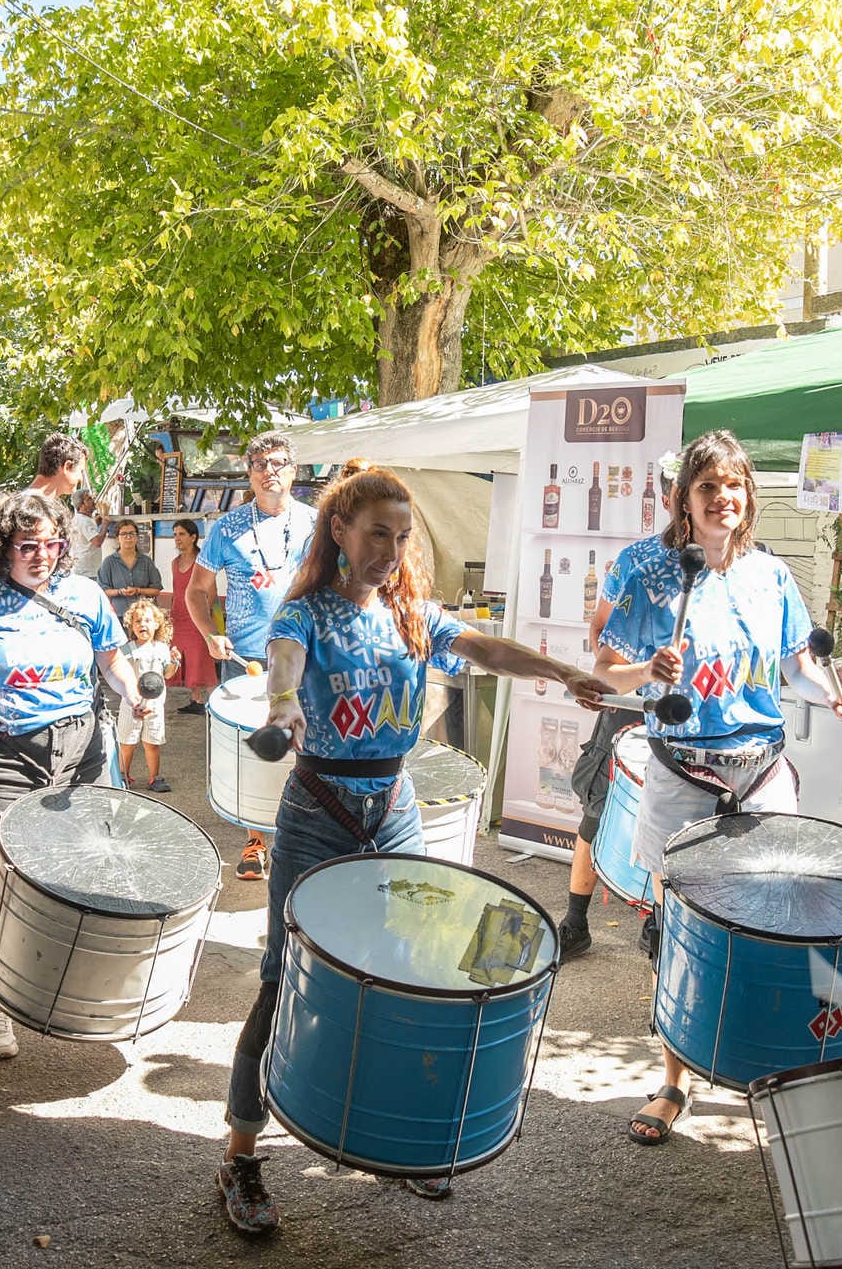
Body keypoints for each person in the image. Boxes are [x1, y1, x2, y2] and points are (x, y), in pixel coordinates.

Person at [216, 467, 610, 1233]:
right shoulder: (304, 614)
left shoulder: (412, 615)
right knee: (283, 978)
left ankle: (385, 1140)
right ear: (338, 530)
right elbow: (284, 671)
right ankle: (239, 1156)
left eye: (401, 538)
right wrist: (285, 707)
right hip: (319, 809)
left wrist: (561, 671)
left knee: (398, 977)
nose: (390, 552)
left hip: (394, 807)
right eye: (376, 535)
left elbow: (486, 649)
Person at [595, 430, 842, 1146]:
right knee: (684, 930)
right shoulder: (646, 569)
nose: (723, 498)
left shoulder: (770, 575)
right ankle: (675, 1079)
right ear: (684, 496)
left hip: (763, 767)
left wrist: (830, 692)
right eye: (708, 486)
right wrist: (647, 672)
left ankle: (781, 1063)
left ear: (749, 498)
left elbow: (796, 664)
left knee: (783, 919)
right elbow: (603, 671)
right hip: (684, 772)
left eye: (734, 485)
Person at [0, 488, 154, 1060]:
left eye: (53, 543)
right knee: (2, 875)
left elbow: (112, 659)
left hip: (80, 746)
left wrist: (134, 694)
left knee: (84, 869)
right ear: (2, 545)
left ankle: (72, 992)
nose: (42, 554)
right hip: (2, 750)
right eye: (27, 545)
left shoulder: (83, 594)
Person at [186, 433, 318, 880]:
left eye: (278, 463)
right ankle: (255, 841)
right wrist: (210, 634)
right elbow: (197, 590)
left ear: (294, 471)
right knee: (257, 754)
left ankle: (304, 838)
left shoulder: (319, 526)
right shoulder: (227, 528)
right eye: (259, 463)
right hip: (247, 661)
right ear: (249, 474)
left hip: (305, 660)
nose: (269, 471)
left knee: (306, 751)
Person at [558, 456, 675, 959]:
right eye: (683, 491)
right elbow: (601, 626)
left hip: (695, 717)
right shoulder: (638, 559)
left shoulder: (743, 560)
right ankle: (575, 921)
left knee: (677, 822)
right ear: (670, 498)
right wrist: (611, 680)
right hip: (631, 706)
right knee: (599, 811)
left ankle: (662, 921)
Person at [115, 598, 177, 791]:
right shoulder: (126, 649)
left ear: (157, 623)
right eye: (138, 621)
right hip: (130, 703)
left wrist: (175, 662)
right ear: (131, 626)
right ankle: (123, 776)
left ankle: (155, 777)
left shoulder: (162, 648)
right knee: (127, 742)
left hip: (155, 705)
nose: (142, 624)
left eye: (147, 620)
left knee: (152, 742)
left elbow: (167, 674)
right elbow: (119, 672)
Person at [168, 519, 216, 714]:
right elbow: (175, 590)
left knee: (202, 660)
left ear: (193, 537)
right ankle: (196, 700)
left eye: (181, 534)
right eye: (175, 534)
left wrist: (204, 616)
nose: (177, 539)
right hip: (178, 617)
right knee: (185, 659)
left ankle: (215, 703)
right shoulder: (174, 563)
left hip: (197, 618)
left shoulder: (202, 561)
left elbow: (212, 592)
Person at [97, 519, 162, 619]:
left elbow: (156, 590)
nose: (128, 537)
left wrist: (138, 590)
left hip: (144, 617)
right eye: (124, 534)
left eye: (132, 533)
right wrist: (120, 592)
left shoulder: (146, 561)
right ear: (118, 538)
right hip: (119, 616)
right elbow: (103, 590)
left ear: (137, 537)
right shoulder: (109, 562)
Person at [69, 492, 107, 579]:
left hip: (84, 569)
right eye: (89, 499)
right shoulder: (84, 521)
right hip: (87, 571)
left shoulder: (81, 519)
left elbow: (85, 537)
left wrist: (96, 524)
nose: (93, 501)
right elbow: (97, 542)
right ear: (81, 505)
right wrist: (105, 525)